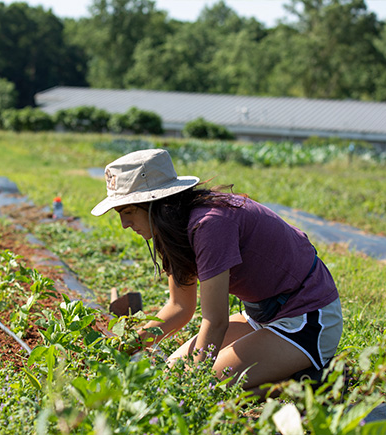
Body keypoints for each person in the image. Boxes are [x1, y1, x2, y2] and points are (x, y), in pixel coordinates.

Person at [91, 148, 342, 397]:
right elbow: (179, 307)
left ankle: (309, 383)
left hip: (307, 319)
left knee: (204, 387)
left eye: (128, 211)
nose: (124, 224)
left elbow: (216, 321)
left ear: (154, 203)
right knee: (173, 371)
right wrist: (125, 347)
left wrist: (192, 386)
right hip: (262, 316)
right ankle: (288, 372)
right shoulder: (173, 230)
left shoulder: (210, 225)